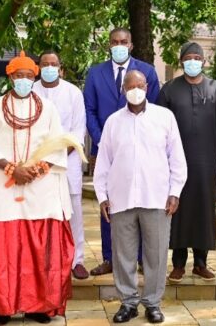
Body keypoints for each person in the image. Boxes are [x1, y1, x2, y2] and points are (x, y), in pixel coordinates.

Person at [0, 51, 75, 325]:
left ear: (33, 77)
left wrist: (35, 170)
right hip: (1, 187)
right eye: (18, 76)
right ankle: (2, 305)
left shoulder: (48, 108)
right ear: (10, 77)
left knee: (39, 249)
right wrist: (13, 169)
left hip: (40, 187)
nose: (23, 80)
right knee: (2, 249)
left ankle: (38, 305)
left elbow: (57, 144)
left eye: (28, 76)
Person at [94, 70, 187, 324]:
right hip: (120, 199)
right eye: (130, 85)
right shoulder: (113, 121)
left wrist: (174, 192)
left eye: (140, 84)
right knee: (122, 254)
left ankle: (153, 303)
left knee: (155, 254)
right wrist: (102, 196)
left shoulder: (164, 117)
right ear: (123, 90)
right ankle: (128, 302)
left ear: (147, 87)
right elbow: (103, 162)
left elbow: (177, 158)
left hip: (156, 197)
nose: (136, 89)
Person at [83, 27, 159, 276]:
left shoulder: (147, 71)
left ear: (131, 44)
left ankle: (139, 258)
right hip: (105, 149)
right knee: (108, 202)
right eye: (114, 42)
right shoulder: (95, 74)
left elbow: (154, 109)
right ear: (109, 45)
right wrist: (102, 140)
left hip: (141, 149)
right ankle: (109, 258)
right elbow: (90, 111)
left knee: (139, 201)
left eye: (123, 41)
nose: (119, 45)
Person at [157, 42, 216, 282]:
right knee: (177, 210)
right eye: (188, 57)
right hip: (174, 162)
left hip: (207, 162)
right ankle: (178, 263)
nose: (193, 61)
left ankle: (201, 262)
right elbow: (159, 127)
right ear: (181, 61)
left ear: (204, 61)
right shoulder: (169, 90)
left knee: (203, 211)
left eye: (197, 57)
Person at [32, 50, 89, 280]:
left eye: (53, 64)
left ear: (61, 68)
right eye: (45, 64)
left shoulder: (73, 92)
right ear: (38, 67)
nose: (49, 67)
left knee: (72, 211)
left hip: (67, 160)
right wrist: (41, 158)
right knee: (39, 211)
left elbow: (78, 130)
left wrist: (58, 155)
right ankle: (42, 259)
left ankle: (77, 260)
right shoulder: (31, 91)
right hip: (36, 162)